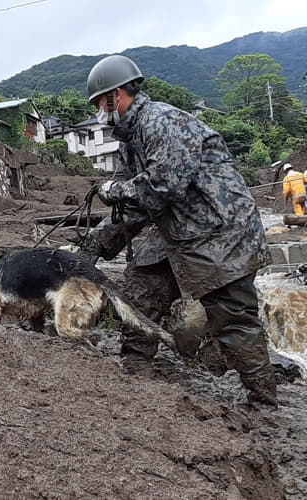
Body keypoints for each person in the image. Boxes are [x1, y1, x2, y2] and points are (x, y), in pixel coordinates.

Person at [81, 54, 277, 407]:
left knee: (233, 318)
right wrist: (96, 244)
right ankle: (134, 368)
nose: (98, 112)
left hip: (221, 231)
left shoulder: (161, 122)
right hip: (178, 229)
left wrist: (115, 190)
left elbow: (163, 185)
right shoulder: (130, 142)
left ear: (117, 96)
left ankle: (263, 402)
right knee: (141, 286)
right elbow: (140, 204)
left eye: (99, 103)